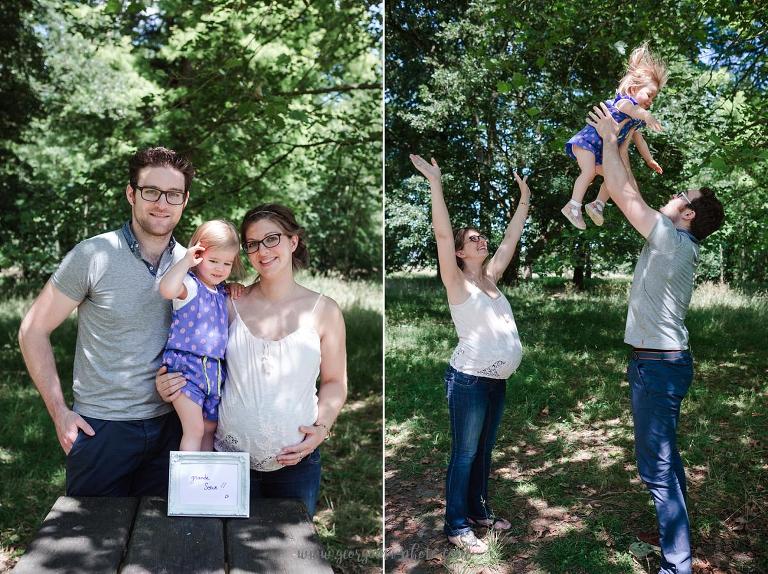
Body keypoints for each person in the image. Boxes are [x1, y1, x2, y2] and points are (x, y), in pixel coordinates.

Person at [587, 102, 724, 574]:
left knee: (656, 467)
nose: (672, 195)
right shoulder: (673, 237)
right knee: (666, 459)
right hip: (661, 362)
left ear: (687, 213)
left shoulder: (671, 240)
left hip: (659, 366)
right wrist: (621, 144)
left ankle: (676, 565)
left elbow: (627, 199)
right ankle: (679, 544)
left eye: (681, 194)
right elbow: (633, 190)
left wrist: (607, 138)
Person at [18, 146, 194, 496]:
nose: (162, 203)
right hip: (103, 429)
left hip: (174, 425)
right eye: (151, 191)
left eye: (173, 194)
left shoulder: (191, 262)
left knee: (161, 544)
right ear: (131, 194)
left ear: (184, 201)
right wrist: (59, 413)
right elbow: (33, 330)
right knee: (91, 543)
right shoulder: (93, 255)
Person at [156, 204, 347, 517]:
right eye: (253, 244)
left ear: (293, 241)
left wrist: (322, 428)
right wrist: (165, 380)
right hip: (228, 462)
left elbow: (335, 382)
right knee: (227, 555)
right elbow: (193, 348)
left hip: (296, 461)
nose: (263, 251)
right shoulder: (230, 301)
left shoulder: (325, 310)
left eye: (272, 239)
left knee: (289, 559)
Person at [409, 154, 530, 554]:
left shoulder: (491, 277)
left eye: (482, 237)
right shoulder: (456, 282)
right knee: (464, 452)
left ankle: (479, 511)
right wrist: (435, 184)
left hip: (497, 380)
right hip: (470, 379)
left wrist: (524, 200)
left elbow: (511, 238)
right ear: (461, 252)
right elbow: (443, 235)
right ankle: (456, 525)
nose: (482, 240)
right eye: (473, 239)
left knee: (483, 450)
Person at [159, 219, 245, 452]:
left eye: (227, 263)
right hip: (186, 368)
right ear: (198, 255)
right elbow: (166, 289)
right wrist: (185, 261)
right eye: (213, 260)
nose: (220, 268)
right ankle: (187, 482)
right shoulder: (190, 285)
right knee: (194, 429)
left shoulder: (220, 290)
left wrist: (233, 286)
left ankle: (205, 483)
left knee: (209, 428)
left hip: (213, 371)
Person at [562, 43, 668, 229]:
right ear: (634, 88)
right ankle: (573, 206)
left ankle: (597, 204)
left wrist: (649, 160)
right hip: (587, 144)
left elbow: (639, 139)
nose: (650, 101)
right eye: (649, 95)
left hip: (600, 151)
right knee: (587, 172)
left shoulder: (635, 119)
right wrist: (647, 115)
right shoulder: (624, 103)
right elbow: (634, 109)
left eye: (654, 99)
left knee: (614, 178)